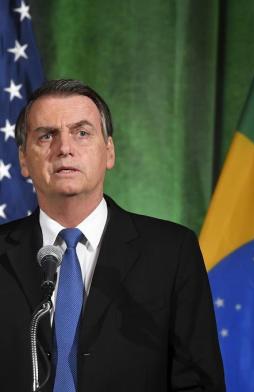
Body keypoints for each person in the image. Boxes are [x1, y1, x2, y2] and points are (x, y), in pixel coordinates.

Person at [0, 79, 225, 392]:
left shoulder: (171, 252)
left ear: (108, 152)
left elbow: (198, 383)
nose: (64, 148)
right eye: (47, 135)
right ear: (24, 159)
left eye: (82, 133)